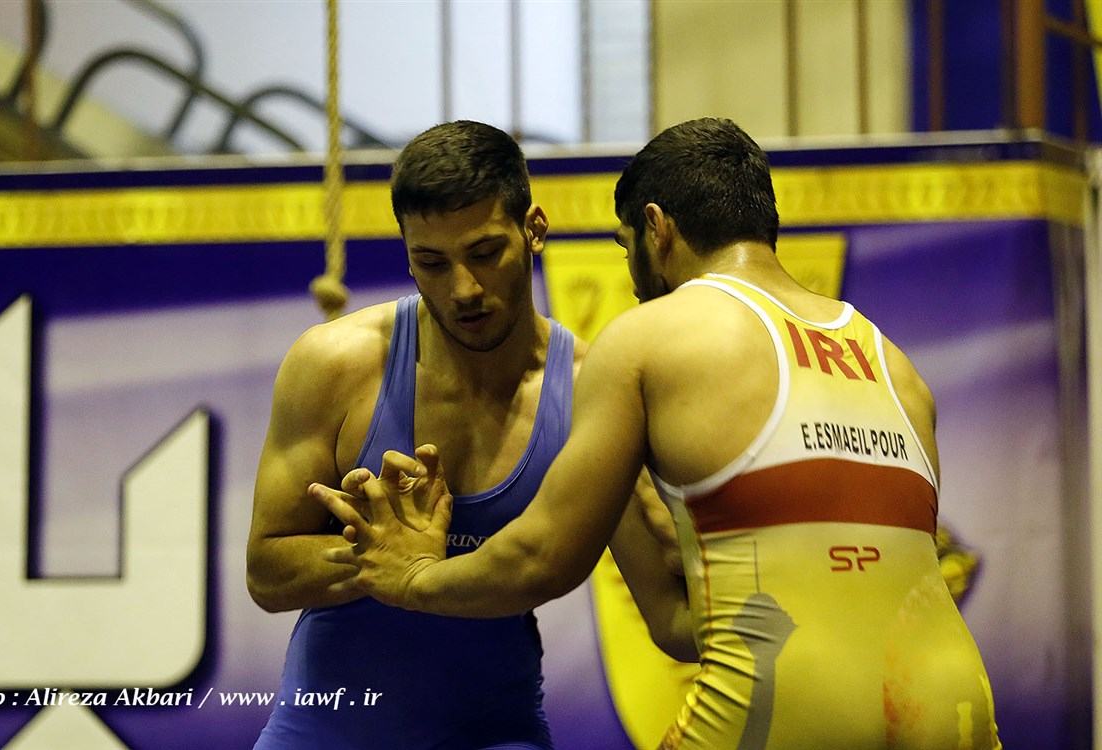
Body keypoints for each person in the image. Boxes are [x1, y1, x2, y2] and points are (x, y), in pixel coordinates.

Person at [314, 117, 1003, 749]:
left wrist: (413, 577)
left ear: (656, 228)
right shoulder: (895, 364)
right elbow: (720, 611)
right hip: (951, 696)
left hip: (786, 693)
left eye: (625, 249)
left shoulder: (650, 337)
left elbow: (544, 557)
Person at [246, 120, 688, 750]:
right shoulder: (334, 365)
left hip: (494, 734)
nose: (464, 290)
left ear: (534, 229)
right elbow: (266, 573)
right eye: (431, 263)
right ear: (407, 254)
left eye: (484, 253)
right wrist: (380, 558)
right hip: (321, 732)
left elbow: (672, 616)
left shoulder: (592, 389)